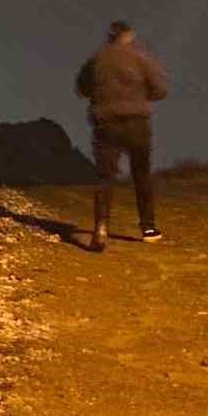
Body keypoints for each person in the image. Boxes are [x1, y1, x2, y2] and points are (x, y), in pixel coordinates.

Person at [75, 21, 168, 252]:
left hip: (105, 123)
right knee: (141, 174)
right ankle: (148, 228)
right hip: (137, 123)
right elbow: (160, 90)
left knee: (105, 177)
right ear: (128, 36)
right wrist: (138, 94)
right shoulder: (140, 58)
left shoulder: (96, 59)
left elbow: (81, 89)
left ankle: (101, 226)